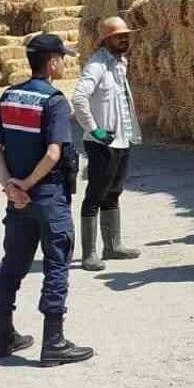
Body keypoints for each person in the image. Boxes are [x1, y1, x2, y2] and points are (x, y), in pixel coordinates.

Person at [0, 34, 94, 367]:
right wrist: (28, 184)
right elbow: (53, 153)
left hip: (18, 201)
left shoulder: (9, 96)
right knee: (56, 265)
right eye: (63, 58)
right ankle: (54, 342)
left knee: (12, 265)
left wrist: (11, 187)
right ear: (52, 63)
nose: (66, 63)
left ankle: (3, 335)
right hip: (48, 196)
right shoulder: (55, 101)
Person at [72, 16, 143, 272]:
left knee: (114, 192)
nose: (124, 39)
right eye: (118, 36)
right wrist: (94, 129)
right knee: (95, 195)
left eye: (126, 35)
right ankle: (89, 253)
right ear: (106, 39)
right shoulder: (97, 65)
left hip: (121, 140)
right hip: (102, 143)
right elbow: (79, 98)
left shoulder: (120, 63)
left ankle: (113, 246)